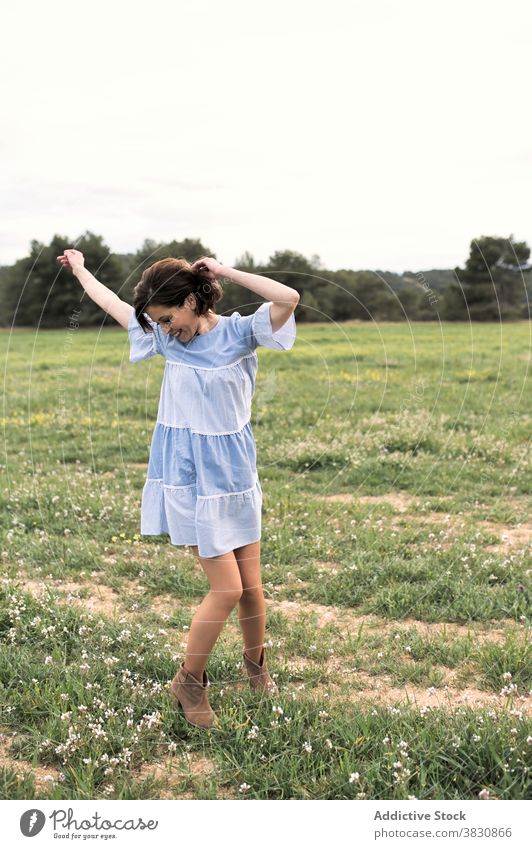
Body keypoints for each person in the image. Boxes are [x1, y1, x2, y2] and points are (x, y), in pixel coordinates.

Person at [57, 248, 299, 729]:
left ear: (192, 300)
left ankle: (256, 671)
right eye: (159, 323)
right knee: (227, 588)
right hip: (191, 477)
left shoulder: (239, 332)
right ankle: (189, 681)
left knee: (252, 588)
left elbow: (288, 296)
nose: (167, 329)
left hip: (234, 473)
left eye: (169, 318)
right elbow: (114, 305)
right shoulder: (168, 342)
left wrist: (222, 271)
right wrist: (82, 270)